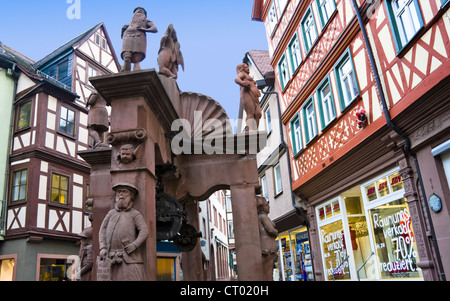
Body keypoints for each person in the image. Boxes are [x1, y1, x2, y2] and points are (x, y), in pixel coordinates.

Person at [98, 184, 149, 281]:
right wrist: (103, 247)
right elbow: (102, 230)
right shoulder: (110, 213)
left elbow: (144, 231)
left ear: (131, 196)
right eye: (118, 192)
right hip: (110, 257)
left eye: (124, 191)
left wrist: (134, 245)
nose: (121, 194)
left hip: (129, 258)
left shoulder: (135, 214)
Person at [121, 7, 158, 72]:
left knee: (136, 59)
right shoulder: (130, 23)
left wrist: (145, 29)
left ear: (144, 15)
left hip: (139, 37)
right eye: (137, 11)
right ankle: (125, 76)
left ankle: (136, 77)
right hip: (128, 37)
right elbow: (124, 28)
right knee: (126, 57)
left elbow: (155, 28)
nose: (139, 11)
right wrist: (122, 32)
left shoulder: (146, 21)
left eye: (141, 11)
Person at [235, 63, 262, 131]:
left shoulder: (247, 75)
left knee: (258, 113)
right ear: (243, 69)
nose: (248, 68)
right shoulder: (243, 74)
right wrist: (242, 83)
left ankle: (255, 130)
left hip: (254, 95)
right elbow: (236, 79)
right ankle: (250, 130)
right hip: (246, 93)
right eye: (246, 67)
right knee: (251, 113)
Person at [257, 196, 278, 281]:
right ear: (262, 206)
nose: (269, 207)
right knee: (268, 273)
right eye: (266, 205)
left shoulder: (261, 217)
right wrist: (276, 231)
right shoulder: (263, 217)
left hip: (267, 248)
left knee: (268, 271)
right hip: (267, 249)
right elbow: (271, 230)